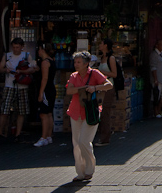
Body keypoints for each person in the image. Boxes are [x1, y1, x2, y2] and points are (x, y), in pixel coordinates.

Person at [65, 50, 113, 182]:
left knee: (84, 141)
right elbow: (69, 90)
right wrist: (83, 88)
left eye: (79, 62)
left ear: (86, 63)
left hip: (91, 112)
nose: (76, 64)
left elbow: (109, 85)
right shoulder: (74, 76)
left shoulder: (94, 73)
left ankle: (89, 169)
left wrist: (95, 88)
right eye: (75, 62)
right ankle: (80, 173)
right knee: (76, 144)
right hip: (75, 112)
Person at [0, 37, 37, 143]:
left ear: (22, 47)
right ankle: (0, 133)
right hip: (9, 85)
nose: (15, 49)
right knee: (4, 109)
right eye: (14, 47)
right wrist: (6, 70)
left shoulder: (27, 55)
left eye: (17, 47)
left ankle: (18, 134)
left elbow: (33, 68)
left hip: (22, 85)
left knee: (21, 111)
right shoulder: (7, 55)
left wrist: (22, 72)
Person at [94, 38, 117, 146]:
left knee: (105, 113)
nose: (100, 45)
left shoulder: (111, 58)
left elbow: (114, 74)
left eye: (101, 43)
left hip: (108, 87)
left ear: (106, 45)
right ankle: (102, 135)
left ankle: (105, 138)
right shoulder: (102, 57)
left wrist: (101, 72)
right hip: (100, 88)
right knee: (99, 112)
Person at [34, 42, 57, 147]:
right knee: (49, 113)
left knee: (43, 114)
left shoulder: (45, 62)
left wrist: (40, 92)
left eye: (39, 49)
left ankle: (43, 137)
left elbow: (45, 78)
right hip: (51, 88)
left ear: (42, 50)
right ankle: (48, 136)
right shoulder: (52, 61)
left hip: (46, 90)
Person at [150, 39, 162, 118]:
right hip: (158, 79)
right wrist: (155, 79)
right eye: (161, 44)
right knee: (156, 96)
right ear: (156, 46)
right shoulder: (154, 55)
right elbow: (153, 67)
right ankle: (156, 111)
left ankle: (159, 110)